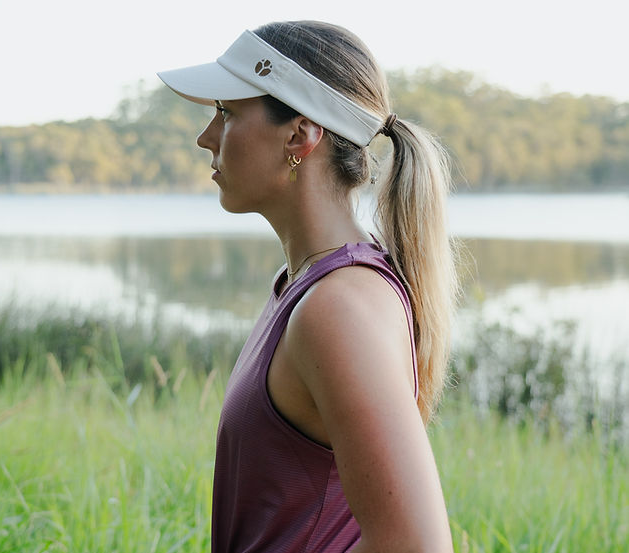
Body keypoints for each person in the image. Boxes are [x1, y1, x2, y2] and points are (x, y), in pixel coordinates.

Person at [157, 20, 457, 553]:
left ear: (299, 135)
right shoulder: (307, 286)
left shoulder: (339, 306)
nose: (206, 136)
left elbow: (415, 545)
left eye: (227, 113)